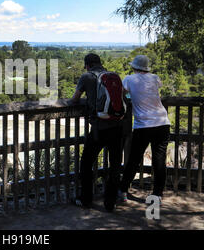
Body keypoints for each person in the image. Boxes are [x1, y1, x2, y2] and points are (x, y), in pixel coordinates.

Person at [71, 53, 124, 211]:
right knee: (115, 165)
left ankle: (86, 199)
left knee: (86, 164)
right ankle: (110, 203)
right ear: (101, 63)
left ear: (87, 65)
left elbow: (75, 99)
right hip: (117, 126)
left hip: (99, 128)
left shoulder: (86, 77)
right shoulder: (113, 75)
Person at [119, 55, 171, 204]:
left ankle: (123, 191)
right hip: (162, 122)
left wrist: (130, 98)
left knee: (134, 159)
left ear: (134, 66)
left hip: (143, 125)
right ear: (146, 67)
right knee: (159, 160)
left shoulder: (129, 79)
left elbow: (123, 94)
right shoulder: (155, 77)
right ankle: (157, 194)